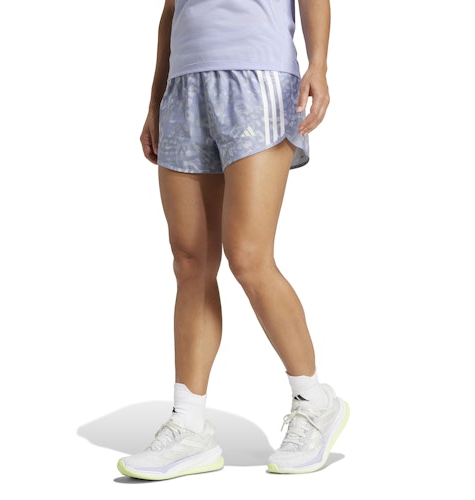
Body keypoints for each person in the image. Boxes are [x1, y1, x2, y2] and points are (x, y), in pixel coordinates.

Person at [117, 0, 349, 480]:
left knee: (248, 257)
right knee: (190, 261)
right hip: (185, 87)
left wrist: (319, 64)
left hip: (259, 77)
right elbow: (171, 12)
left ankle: (315, 401)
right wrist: (155, 99)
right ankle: (190, 426)